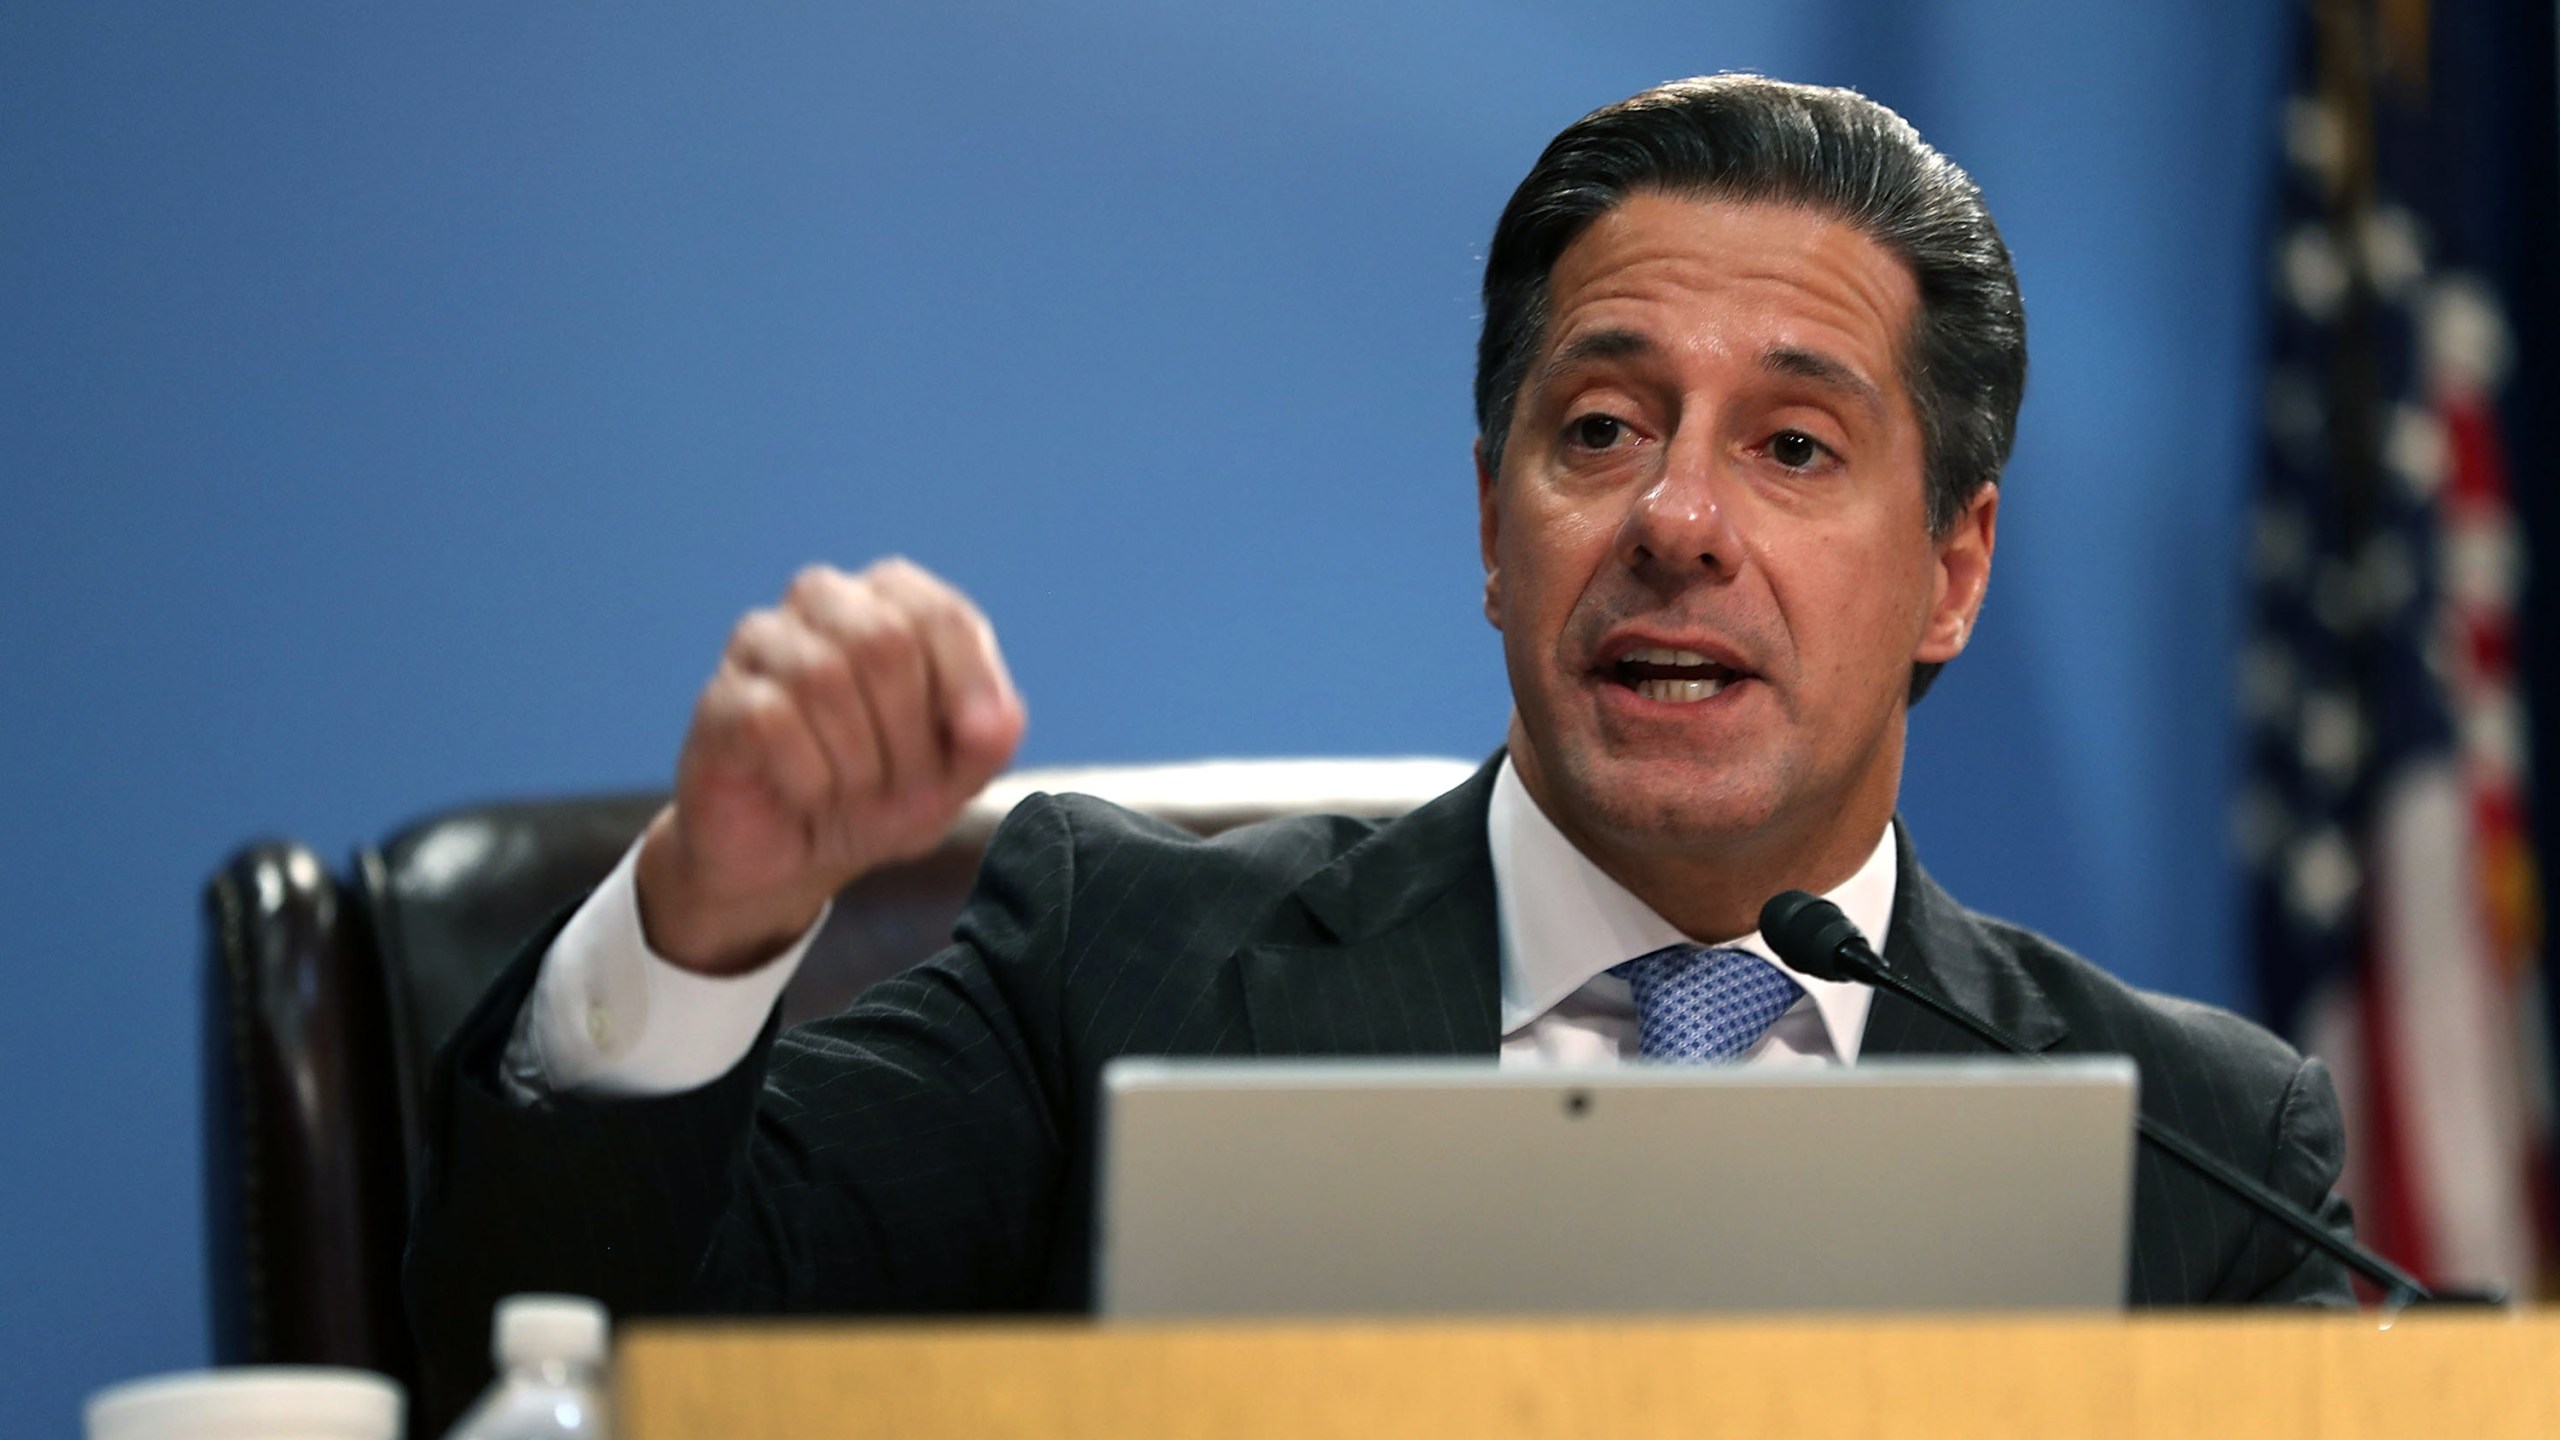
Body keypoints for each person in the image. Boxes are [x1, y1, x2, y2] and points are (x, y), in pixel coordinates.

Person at [407, 73, 2355, 1412]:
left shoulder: (2197, 1155)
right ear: (1493, 527)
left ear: (1948, 567)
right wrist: (710, 918)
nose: (1674, 519)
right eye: (1597, 427)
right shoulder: (1110, 964)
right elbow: (589, 1374)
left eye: (1789, 445)